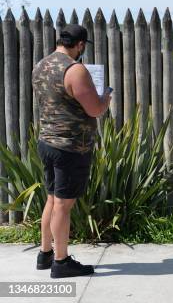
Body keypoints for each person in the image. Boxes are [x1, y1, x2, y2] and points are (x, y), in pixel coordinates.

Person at [32, 24, 112, 278]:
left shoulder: (41, 65)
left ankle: (45, 254)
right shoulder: (75, 70)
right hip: (70, 147)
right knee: (63, 205)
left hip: (47, 142)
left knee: (53, 198)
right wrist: (106, 97)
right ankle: (61, 261)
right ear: (80, 45)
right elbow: (94, 110)